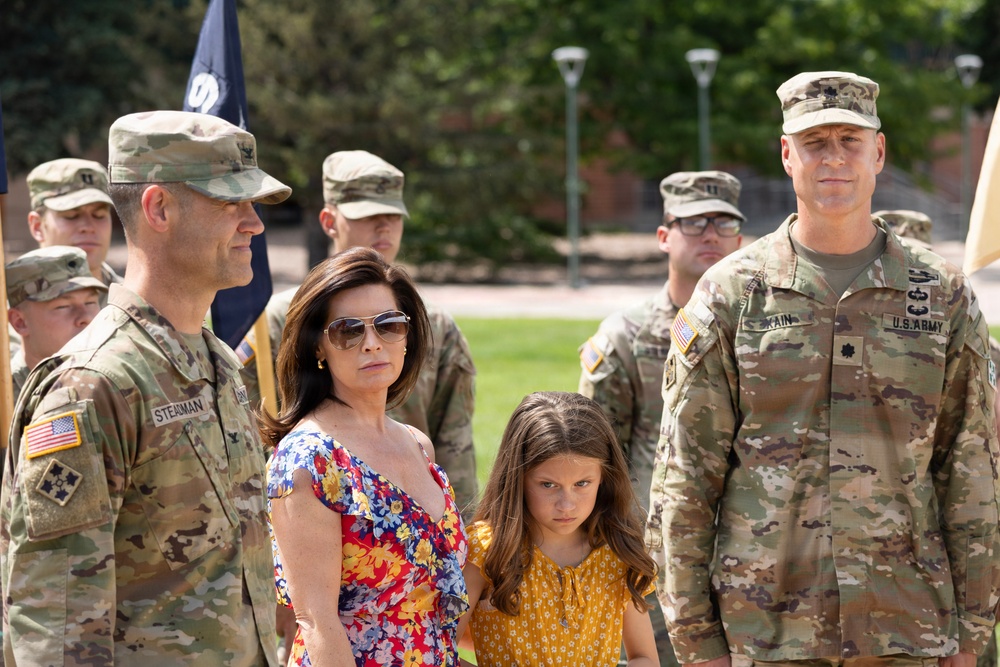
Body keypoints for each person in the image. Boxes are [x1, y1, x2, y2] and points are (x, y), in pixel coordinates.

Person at [648, 70, 999, 667]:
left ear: (878, 153)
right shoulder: (732, 294)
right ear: (788, 155)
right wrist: (697, 640)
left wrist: (971, 635)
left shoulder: (937, 290)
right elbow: (685, 478)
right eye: (814, 143)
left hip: (909, 629)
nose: (832, 159)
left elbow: (972, 469)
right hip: (765, 632)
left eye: (849, 141)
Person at [0, 110, 292, 665]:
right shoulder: (92, 386)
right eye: (231, 203)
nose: (254, 223)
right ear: (159, 208)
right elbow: (56, 621)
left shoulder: (218, 363)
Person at [239, 150, 478, 518]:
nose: (383, 226)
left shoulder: (436, 325)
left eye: (393, 215)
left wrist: (458, 533)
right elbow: (253, 433)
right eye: (367, 215)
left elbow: (455, 447)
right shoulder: (280, 318)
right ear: (329, 220)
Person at [261, 246, 468, 666]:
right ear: (318, 347)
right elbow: (316, 621)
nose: (372, 344)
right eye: (347, 331)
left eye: (389, 325)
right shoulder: (308, 461)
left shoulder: (417, 444)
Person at [578, 170, 744, 667]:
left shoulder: (767, 332)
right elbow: (590, 464)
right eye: (694, 223)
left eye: (724, 223)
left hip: (752, 561)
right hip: (654, 565)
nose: (711, 234)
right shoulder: (625, 339)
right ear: (664, 235)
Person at [457, 391, 658, 667]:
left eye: (582, 484)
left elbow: (645, 658)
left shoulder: (618, 552)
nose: (566, 505)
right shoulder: (487, 551)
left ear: (604, 478)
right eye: (548, 485)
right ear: (518, 478)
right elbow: (437, 652)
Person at [5, 246, 106, 400]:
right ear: (19, 322)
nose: (85, 318)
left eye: (90, 302)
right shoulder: (5, 398)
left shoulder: (115, 381)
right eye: (63, 306)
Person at [26, 157, 122, 287]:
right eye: (71, 215)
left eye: (99, 215)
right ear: (37, 226)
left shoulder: (138, 302)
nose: (88, 227)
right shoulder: (10, 304)